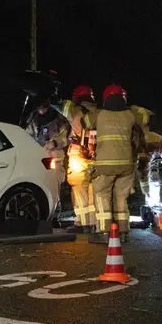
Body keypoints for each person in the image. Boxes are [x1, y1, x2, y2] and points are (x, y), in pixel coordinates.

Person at [89, 84, 144, 244]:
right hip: (126, 164)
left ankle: (104, 232)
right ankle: (123, 232)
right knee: (121, 197)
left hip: (105, 165)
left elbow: (84, 122)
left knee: (102, 194)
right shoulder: (130, 114)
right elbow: (146, 118)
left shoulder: (99, 114)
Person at [63, 85, 98, 233]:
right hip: (96, 155)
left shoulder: (74, 110)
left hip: (79, 155)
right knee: (93, 190)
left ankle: (81, 223)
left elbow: (59, 106)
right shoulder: (99, 112)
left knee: (79, 188)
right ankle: (94, 223)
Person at [25, 96, 70, 183]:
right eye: (39, 108)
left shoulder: (59, 119)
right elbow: (27, 136)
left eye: (43, 108)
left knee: (56, 183)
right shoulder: (33, 120)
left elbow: (66, 136)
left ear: (48, 106)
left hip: (56, 160)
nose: (41, 110)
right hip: (39, 160)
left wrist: (54, 143)